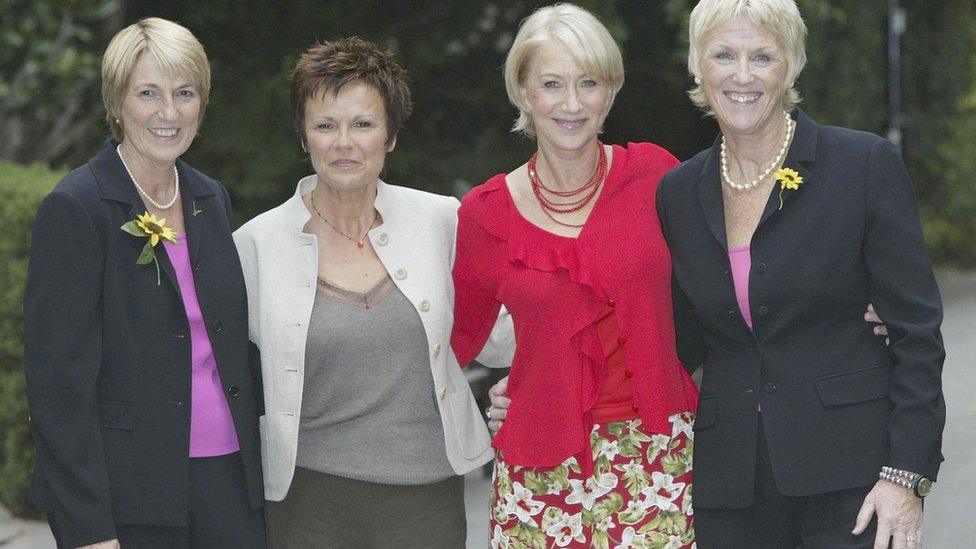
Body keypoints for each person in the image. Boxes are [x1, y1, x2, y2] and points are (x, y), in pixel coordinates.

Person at [654, 0, 946, 547]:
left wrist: (906, 474)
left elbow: (918, 336)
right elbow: (679, 340)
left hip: (852, 480)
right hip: (731, 486)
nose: (742, 75)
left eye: (762, 56)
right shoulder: (677, 193)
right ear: (698, 66)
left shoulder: (862, 166)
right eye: (724, 55)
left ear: (790, 65)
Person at [233, 37, 514, 548]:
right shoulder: (253, 246)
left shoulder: (444, 221)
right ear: (304, 137)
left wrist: (521, 388)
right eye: (325, 125)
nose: (344, 142)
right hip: (306, 507)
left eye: (363, 124)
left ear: (390, 136)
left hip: (427, 501)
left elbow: (508, 335)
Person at [451, 5, 700, 548]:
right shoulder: (485, 213)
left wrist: (855, 305)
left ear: (610, 92)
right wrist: (489, 409)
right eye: (552, 84)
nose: (571, 103)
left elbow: (730, 272)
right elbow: (449, 341)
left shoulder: (657, 176)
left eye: (589, 83)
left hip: (656, 456)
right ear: (523, 92)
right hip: (538, 470)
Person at [24, 18, 265, 549]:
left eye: (184, 93)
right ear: (117, 103)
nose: (168, 112)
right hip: (130, 495)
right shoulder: (77, 207)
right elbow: (57, 388)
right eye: (148, 93)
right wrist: (88, 528)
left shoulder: (211, 199)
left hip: (230, 483)